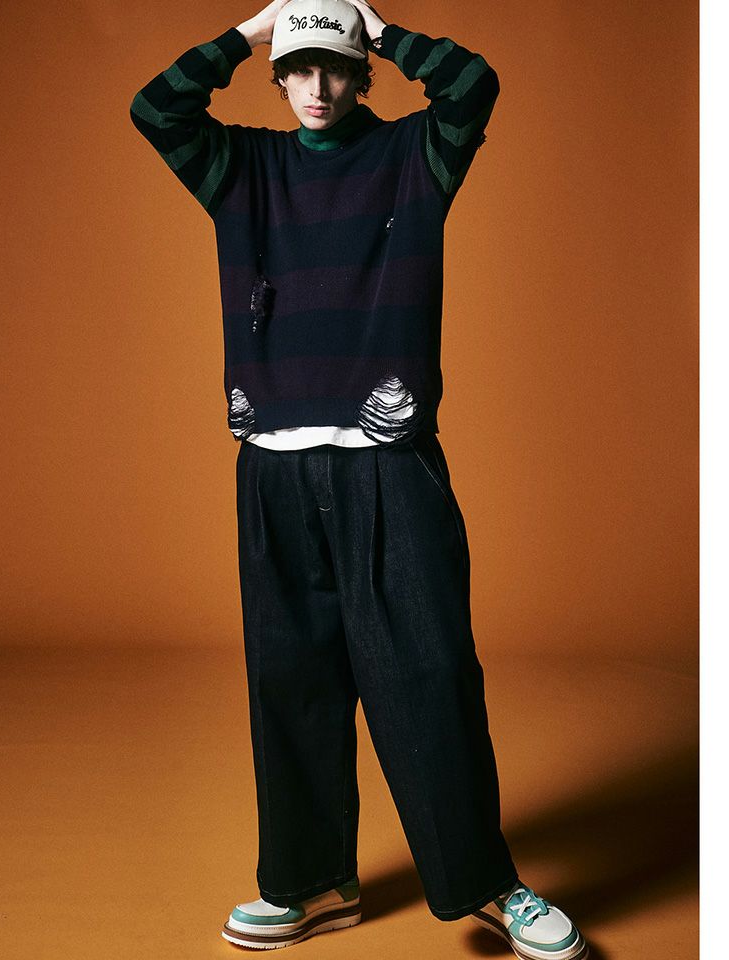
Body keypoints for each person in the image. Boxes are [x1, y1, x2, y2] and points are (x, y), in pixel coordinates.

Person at [129, 0, 589, 956]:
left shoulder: (415, 157)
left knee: (428, 673)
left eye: (336, 67)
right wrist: (254, 30)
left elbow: (473, 85)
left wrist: (375, 25)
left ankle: (488, 884)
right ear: (277, 75)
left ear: (362, 71)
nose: (318, 87)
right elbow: (155, 109)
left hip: (389, 464)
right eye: (299, 69)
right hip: (273, 467)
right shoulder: (242, 168)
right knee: (290, 681)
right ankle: (309, 883)